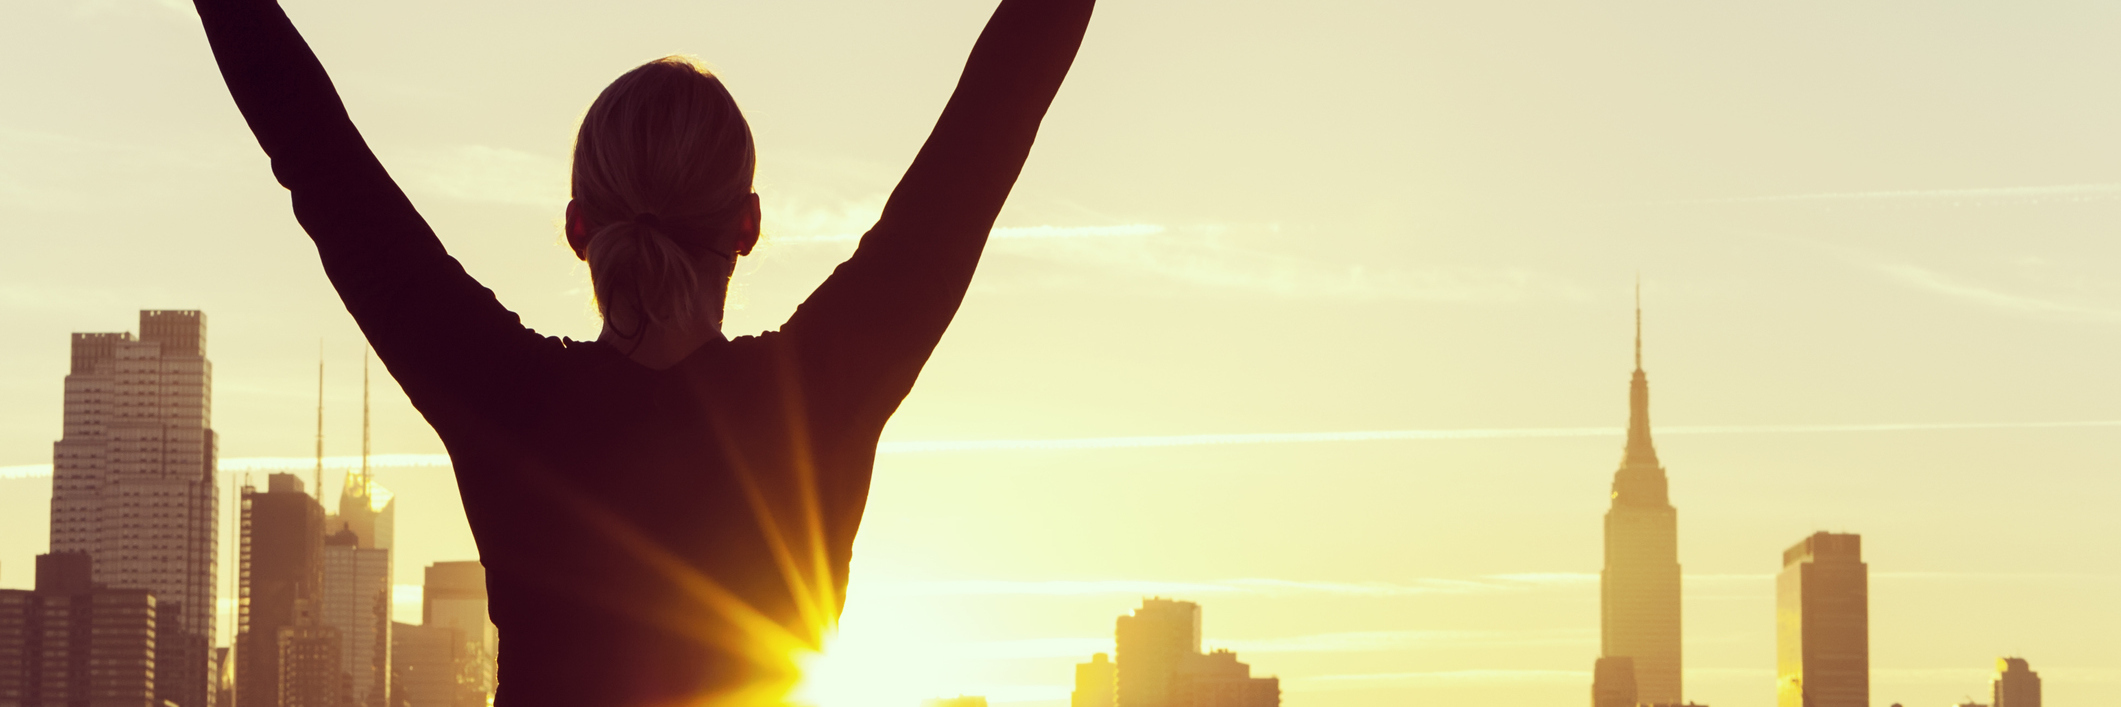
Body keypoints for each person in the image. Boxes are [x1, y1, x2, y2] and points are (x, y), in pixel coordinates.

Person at [190, 0, 1095, 703]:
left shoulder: (510, 401)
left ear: (580, 228)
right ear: (747, 225)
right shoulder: (815, 399)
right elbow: (985, 135)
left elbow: (315, 152)